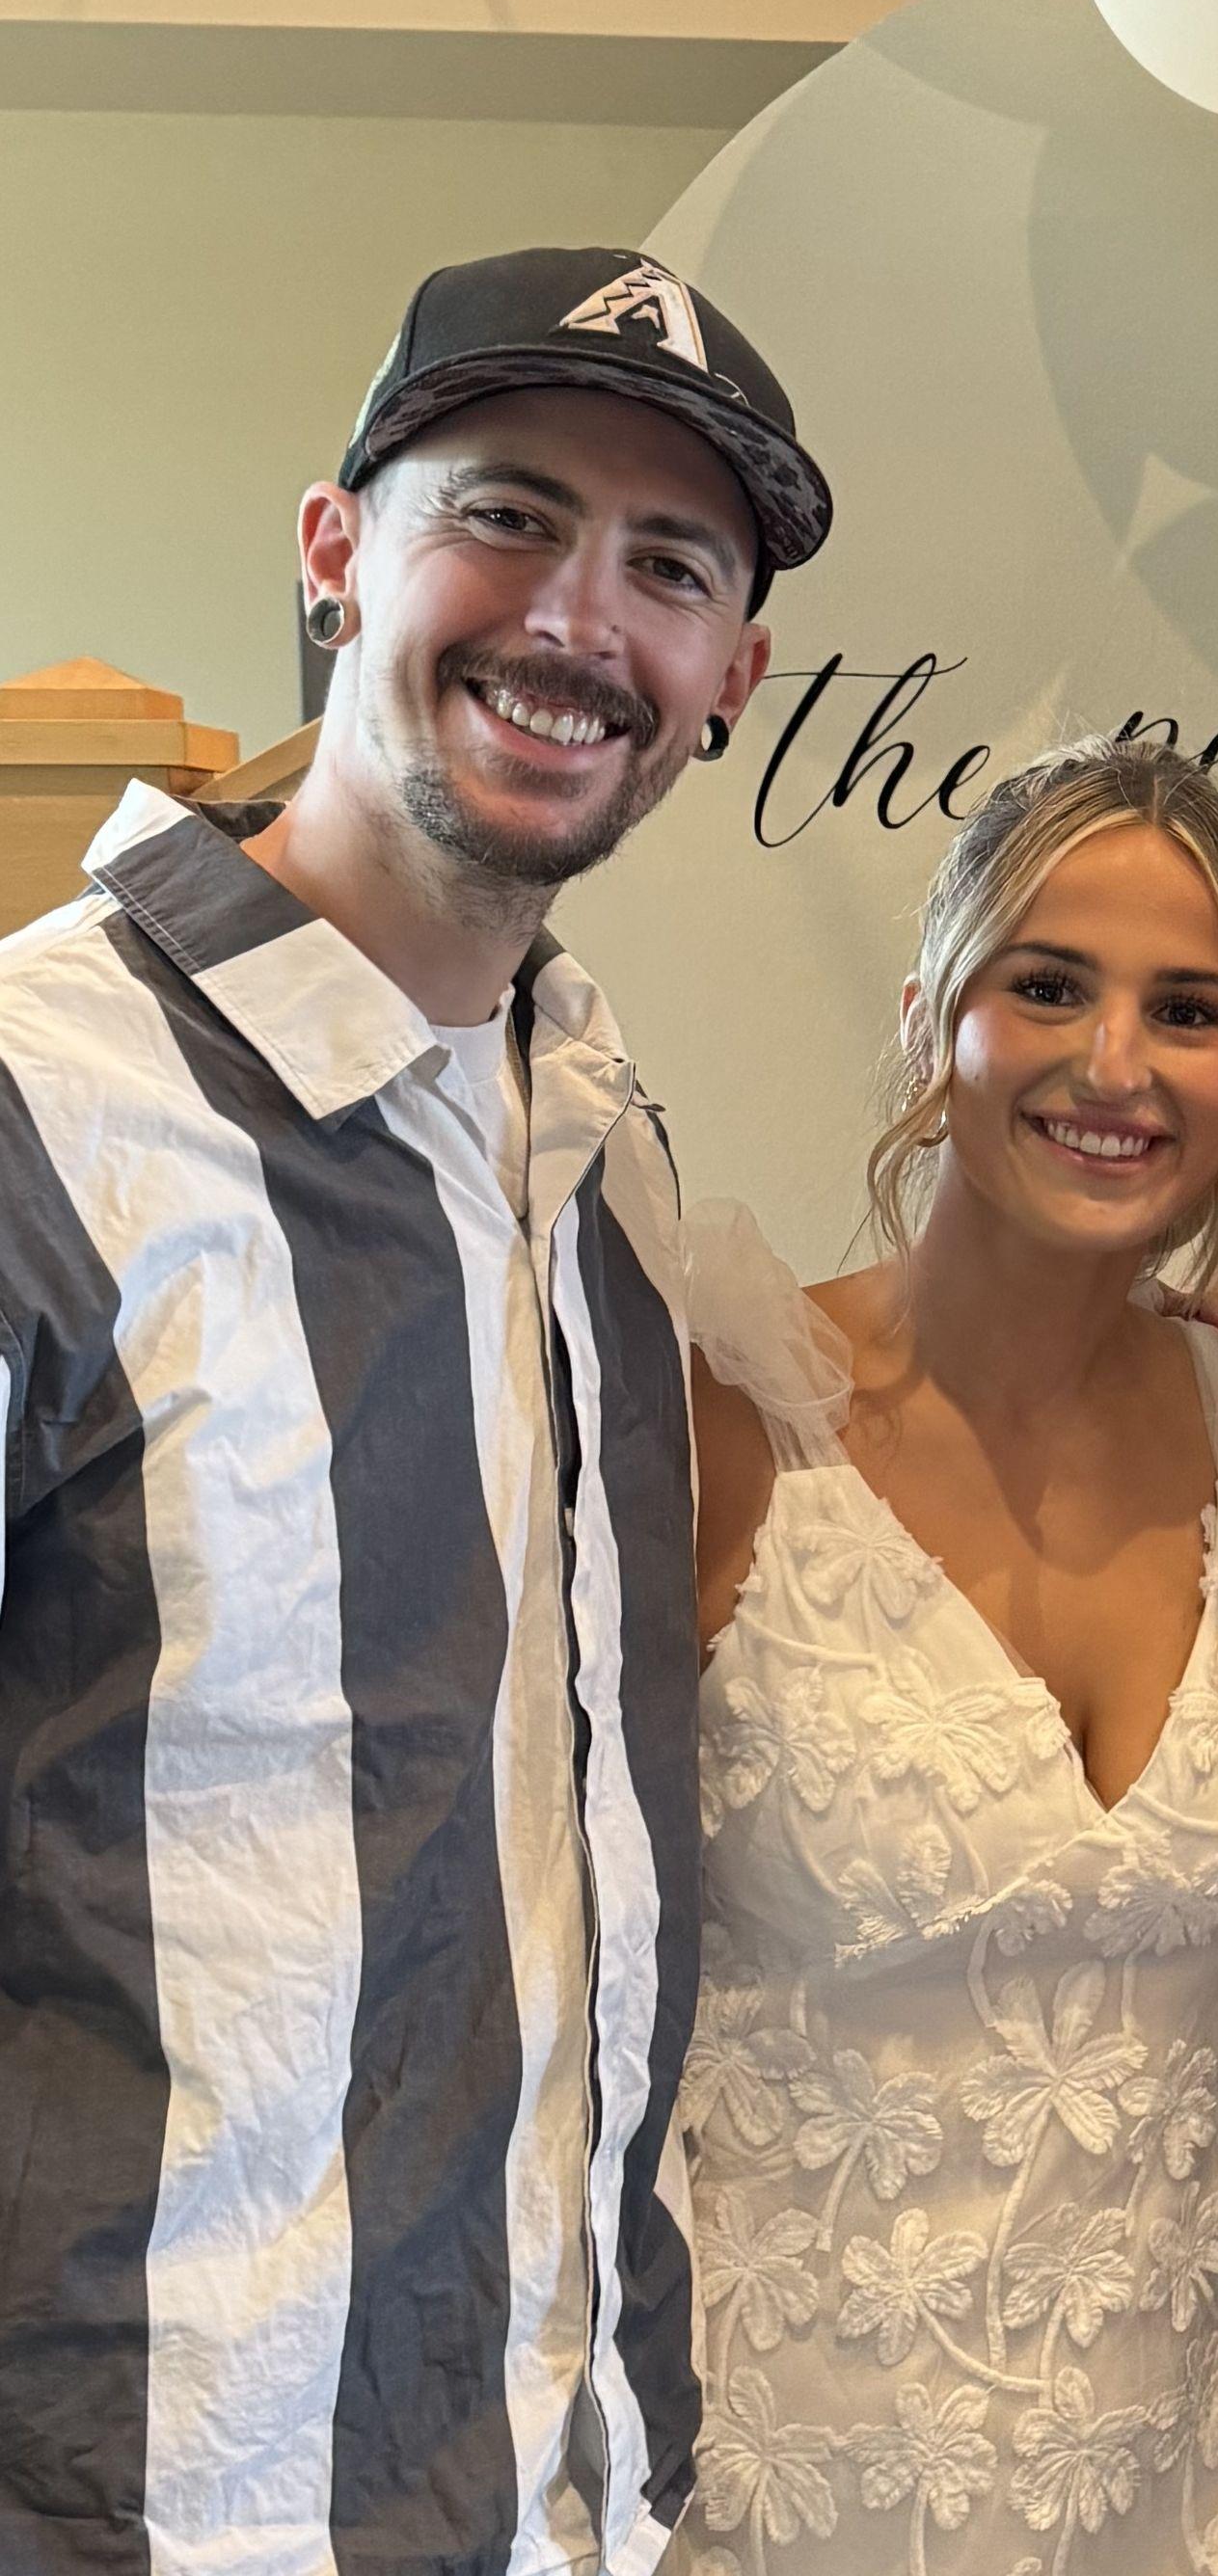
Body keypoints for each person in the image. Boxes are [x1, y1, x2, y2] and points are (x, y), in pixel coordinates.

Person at [0, 245, 828, 2572]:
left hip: (577, 2493)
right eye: (510, 515)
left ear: (730, 680)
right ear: (335, 548)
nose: (579, 620)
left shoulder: (600, 1150)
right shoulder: (40, 1110)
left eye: (670, 567)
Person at [675, 738, 1218, 2576]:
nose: (1115, 1064)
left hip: (1183, 2481)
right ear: (931, 1021)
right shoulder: (720, 1423)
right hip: (783, 2481)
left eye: (1188, 1009)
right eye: (1048, 986)